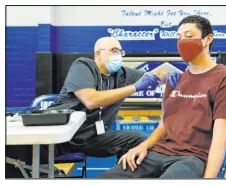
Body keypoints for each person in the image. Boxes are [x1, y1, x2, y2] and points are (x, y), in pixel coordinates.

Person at [6, 37, 180, 178]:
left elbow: (159, 72)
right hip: (59, 137)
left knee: (137, 139)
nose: (118, 54)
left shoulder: (123, 74)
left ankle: (126, 177)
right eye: (113, 50)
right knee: (12, 156)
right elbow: (91, 100)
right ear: (98, 54)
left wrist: (168, 73)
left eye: (120, 51)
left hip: (91, 139)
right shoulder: (83, 66)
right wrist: (134, 87)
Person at [97, 15, 226, 179]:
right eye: (178, 38)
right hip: (158, 153)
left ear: (208, 39)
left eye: (189, 36)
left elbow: (219, 141)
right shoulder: (175, 79)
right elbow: (164, 126)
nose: (182, 42)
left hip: (193, 158)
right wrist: (143, 146)